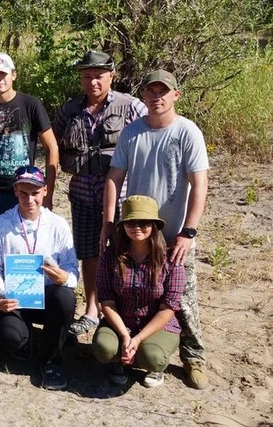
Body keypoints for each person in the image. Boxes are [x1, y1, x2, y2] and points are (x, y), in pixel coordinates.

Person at [103, 69, 210, 390]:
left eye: (163, 92)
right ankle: (135, 348)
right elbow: (114, 178)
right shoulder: (132, 133)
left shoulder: (187, 132)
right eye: (151, 91)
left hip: (174, 234)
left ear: (175, 95)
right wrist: (109, 225)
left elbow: (199, 183)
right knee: (131, 293)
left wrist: (188, 232)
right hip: (135, 230)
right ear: (144, 95)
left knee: (183, 301)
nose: (156, 97)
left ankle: (194, 357)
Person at [53, 51, 146, 337]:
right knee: (89, 254)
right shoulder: (69, 111)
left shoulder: (131, 107)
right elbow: (51, 147)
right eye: (87, 76)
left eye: (99, 76)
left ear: (111, 76)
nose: (93, 82)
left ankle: (123, 309)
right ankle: (92, 310)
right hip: (81, 193)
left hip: (121, 196)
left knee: (123, 252)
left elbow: (154, 132)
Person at [0, 165, 78, 391]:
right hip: (14, 299)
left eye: (35, 193)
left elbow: (73, 272)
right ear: (15, 191)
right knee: (12, 339)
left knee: (65, 297)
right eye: (23, 193)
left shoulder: (58, 225)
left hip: (46, 298)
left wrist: (63, 276)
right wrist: (0, 297)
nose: (29, 200)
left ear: (45, 191)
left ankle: (52, 361)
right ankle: (30, 343)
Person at [0, 52, 59, 245]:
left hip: (27, 190)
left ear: (13, 74)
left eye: (2, 74)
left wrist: (48, 193)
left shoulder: (31, 105)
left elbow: (52, 147)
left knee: (28, 245)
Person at [93, 195, 184, 388]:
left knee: (153, 357)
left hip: (157, 325)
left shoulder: (170, 259)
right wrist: (125, 336)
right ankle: (119, 360)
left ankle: (154, 367)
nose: (137, 227)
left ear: (154, 225)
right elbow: (106, 301)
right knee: (104, 348)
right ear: (123, 226)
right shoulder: (110, 256)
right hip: (122, 319)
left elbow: (169, 306)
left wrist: (139, 337)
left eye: (143, 222)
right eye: (131, 222)